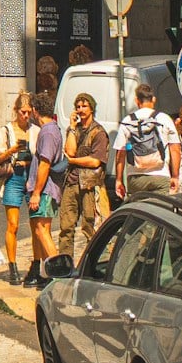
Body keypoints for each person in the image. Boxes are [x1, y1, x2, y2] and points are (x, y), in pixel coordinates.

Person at [59, 91, 111, 263]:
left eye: (84, 106)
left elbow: (95, 161)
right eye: (78, 106)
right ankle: (65, 265)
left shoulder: (98, 132)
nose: (80, 110)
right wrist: (72, 127)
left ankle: (95, 264)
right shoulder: (74, 130)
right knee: (66, 227)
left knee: (91, 226)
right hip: (72, 182)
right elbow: (70, 150)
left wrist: (74, 161)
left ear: (91, 108)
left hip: (90, 184)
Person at [0, 93, 37, 284]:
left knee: (36, 224)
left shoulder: (36, 130)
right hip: (14, 177)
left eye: (28, 112)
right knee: (13, 224)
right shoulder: (6, 131)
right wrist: (12, 151)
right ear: (15, 111)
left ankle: (36, 265)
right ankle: (12, 266)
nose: (26, 116)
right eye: (22, 112)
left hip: (31, 177)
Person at [22, 91, 63, 286]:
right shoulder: (53, 129)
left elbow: (45, 163)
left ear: (36, 111)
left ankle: (58, 272)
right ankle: (45, 272)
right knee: (41, 229)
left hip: (45, 189)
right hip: (46, 188)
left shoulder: (47, 132)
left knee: (41, 230)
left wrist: (36, 193)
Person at [115, 83, 182, 201]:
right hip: (160, 176)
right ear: (154, 99)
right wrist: (175, 176)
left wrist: (119, 180)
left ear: (137, 101)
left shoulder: (127, 121)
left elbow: (120, 154)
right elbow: (175, 150)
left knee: (139, 215)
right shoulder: (164, 119)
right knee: (160, 214)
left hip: (135, 179)